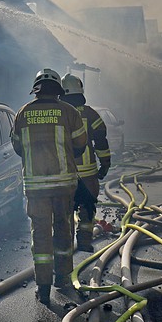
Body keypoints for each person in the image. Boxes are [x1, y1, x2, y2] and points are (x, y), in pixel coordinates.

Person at [11, 68, 88, 305]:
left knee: (41, 235)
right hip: (64, 186)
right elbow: (80, 145)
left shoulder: (23, 113)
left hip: (36, 188)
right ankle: (62, 278)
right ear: (57, 90)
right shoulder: (69, 112)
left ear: (36, 89)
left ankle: (43, 287)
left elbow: (17, 147)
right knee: (63, 230)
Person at [59, 73, 111, 253]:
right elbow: (101, 140)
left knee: (65, 211)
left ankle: (66, 246)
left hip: (63, 173)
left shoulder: (59, 113)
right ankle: (83, 242)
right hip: (87, 174)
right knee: (87, 209)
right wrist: (105, 165)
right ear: (80, 91)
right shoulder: (90, 114)